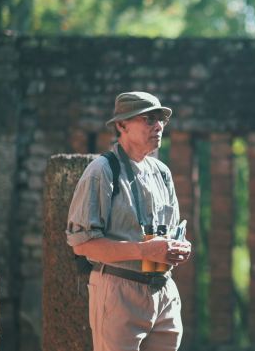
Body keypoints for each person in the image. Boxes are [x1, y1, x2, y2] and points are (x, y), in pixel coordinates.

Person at [66, 91, 192, 351]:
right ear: (121, 125)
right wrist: (143, 250)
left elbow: (170, 233)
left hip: (164, 292)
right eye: (149, 119)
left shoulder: (162, 173)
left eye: (161, 120)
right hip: (118, 291)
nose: (158, 126)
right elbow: (82, 245)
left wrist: (179, 246)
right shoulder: (102, 171)